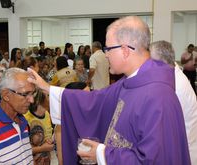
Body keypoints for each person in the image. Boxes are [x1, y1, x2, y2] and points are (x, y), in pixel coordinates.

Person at [27, 16, 191, 165]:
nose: (105, 55)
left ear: (125, 51)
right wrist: (50, 89)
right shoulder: (131, 81)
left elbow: (153, 159)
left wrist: (102, 153)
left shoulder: (158, 96)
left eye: (108, 49)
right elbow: (95, 100)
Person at [150, 40, 197, 165]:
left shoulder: (177, 87)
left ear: (161, 61)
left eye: (150, 62)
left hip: (182, 155)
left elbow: (166, 130)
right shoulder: (170, 77)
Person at [53, 82, 90, 165]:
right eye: (86, 96)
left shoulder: (81, 117)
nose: (91, 99)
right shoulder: (61, 124)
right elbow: (62, 159)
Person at [24, 88, 53, 165]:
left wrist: (50, 142)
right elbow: (22, 150)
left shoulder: (46, 114)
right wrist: (42, 148)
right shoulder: (26, 119)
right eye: (48, 96)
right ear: (40, 100)